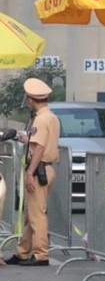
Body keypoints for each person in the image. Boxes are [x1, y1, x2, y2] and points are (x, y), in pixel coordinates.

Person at [1, 78, 60, 267]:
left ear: (31, 100)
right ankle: (23, 251)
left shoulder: (41, 120)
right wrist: (18, 136)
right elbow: (34, 140)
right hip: (46, 169)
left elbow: (40, 148)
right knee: (31, 214)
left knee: (37, 215)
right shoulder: (50, 117)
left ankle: (41, 254)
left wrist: (29, 173)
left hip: (38, 170)